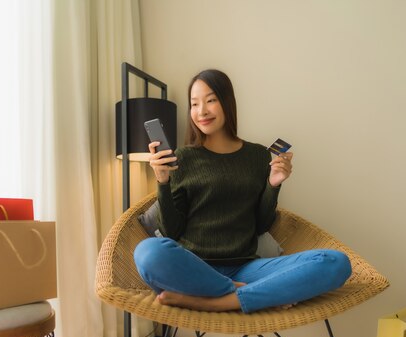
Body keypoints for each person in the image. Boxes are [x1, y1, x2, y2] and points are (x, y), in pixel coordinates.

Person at [133, 69, 351, 313]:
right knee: (147, 252)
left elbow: (261, 226)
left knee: (336, 263)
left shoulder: (257, 156)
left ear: (227, 102)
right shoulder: (183, 159)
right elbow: (171, 232)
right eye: (194, 104)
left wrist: (273, 185)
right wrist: (163, 182)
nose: (201, 111)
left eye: (211, 100)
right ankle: (240, 292)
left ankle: (219, 300)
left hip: (247, 269)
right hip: (195, 267)